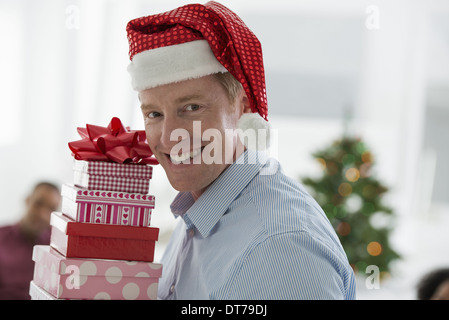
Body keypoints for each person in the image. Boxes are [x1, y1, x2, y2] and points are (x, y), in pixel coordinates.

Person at [126, 1, 356, 299]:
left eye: (192, 107)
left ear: (243, 107)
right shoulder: (196, 213)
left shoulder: (281, 248)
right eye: (154, 114)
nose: (169, 138)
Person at [0, 182, 61, 300]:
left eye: (51, 209)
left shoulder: (58, 247)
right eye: (38, 203)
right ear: (27, 200)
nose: (42, 214)